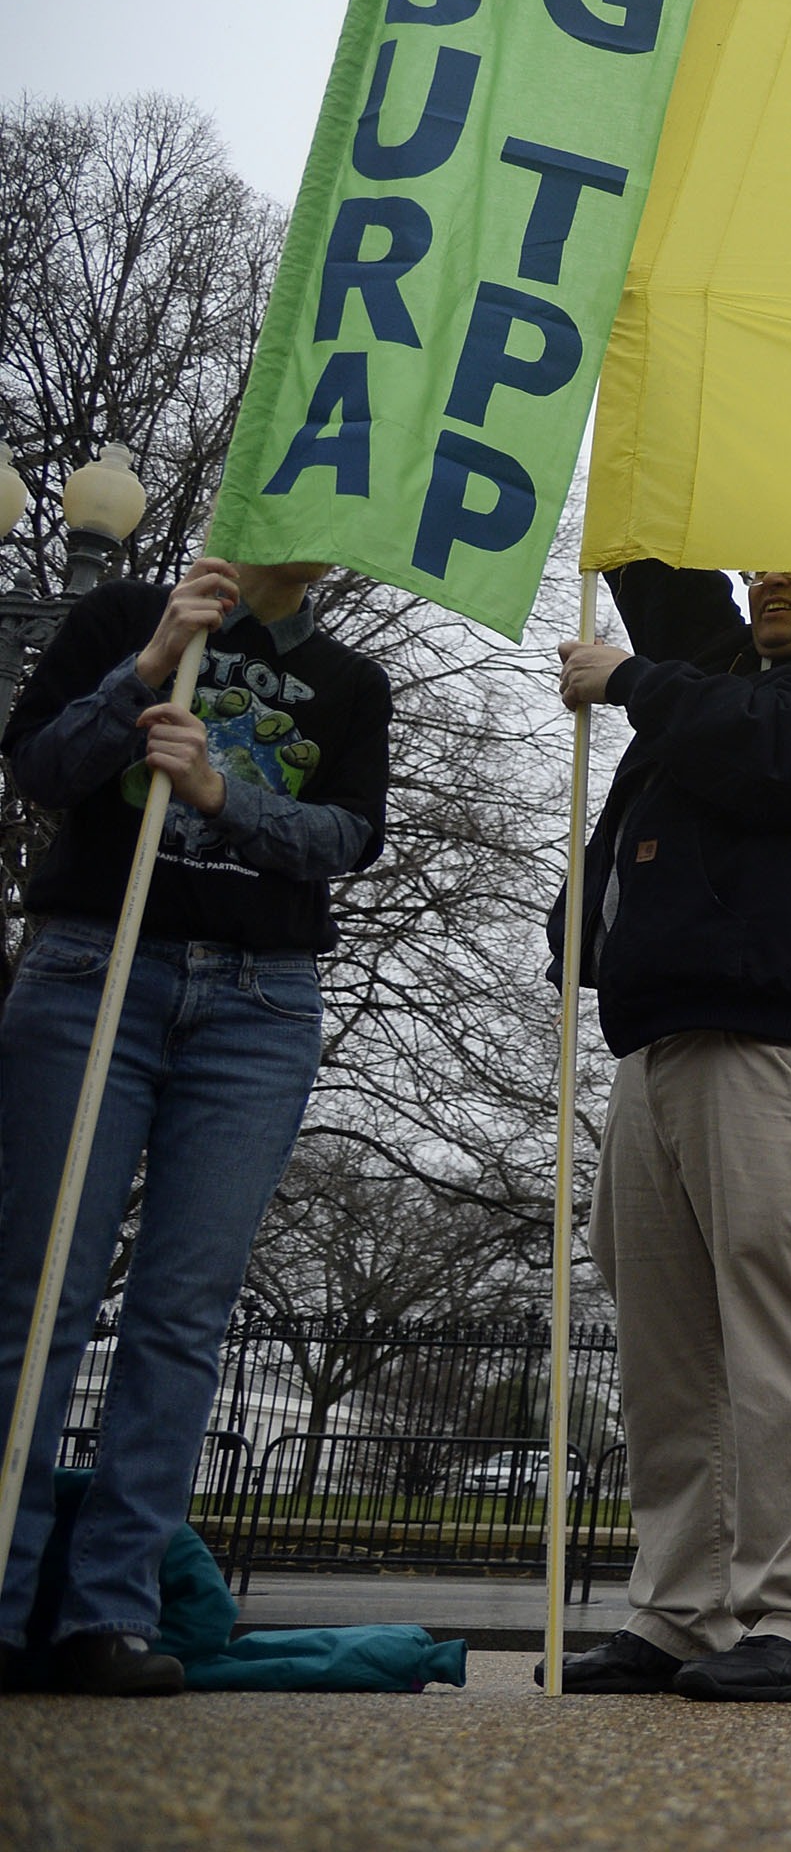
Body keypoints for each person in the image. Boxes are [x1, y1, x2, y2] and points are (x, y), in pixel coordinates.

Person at [547, 565, 791, 1703]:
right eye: (753, 560)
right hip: (658, 1036)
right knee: (669, 1352)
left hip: (783, 1036)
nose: (765, 576)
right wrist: (635, 523)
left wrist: (633, 681)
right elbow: (672, 599)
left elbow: (767, 749)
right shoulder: (725, 680)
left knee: (788, 1324)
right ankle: (686, 1610)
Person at [0, 557, 388, 1696]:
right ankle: (6, 1603)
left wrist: (224, 794)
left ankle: (108, 1613)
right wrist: (152, 663)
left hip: (261, 1005)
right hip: (93, 970)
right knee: (39, 1293)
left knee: (180, 1317)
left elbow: (348, 837)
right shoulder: (127, 615)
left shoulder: (351, 679)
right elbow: (40, 767)